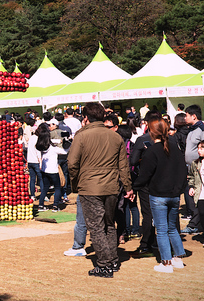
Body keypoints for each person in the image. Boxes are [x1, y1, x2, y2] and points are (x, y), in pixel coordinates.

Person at [67, 102, 133, 278]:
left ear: (86, 118)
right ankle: (112, 260)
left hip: (89, 187)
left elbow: (72, 163)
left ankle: (105, 264)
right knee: (109, 225)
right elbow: (123, 167)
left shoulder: (81, 136)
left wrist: (75, 184)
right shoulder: (116, 137)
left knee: (95, 227)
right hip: (112, 186)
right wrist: (128, 187)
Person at [132, 119, 187, 273]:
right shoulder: (174, 148)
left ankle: (166, 263)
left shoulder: (152, 151)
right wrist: (180, 189)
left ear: (151, 131)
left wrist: (133, 187)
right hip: (174, 194)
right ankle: (177, 258)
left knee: (162, 230)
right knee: (171, 228)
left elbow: (144, 175)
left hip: (159, 195)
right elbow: (183, 171)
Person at [128, 110, 162, 258]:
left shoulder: (143, 139)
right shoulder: (169, 139)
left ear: (147, 123)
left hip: (147, 181)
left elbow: (133, 161)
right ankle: (165, 243)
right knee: (166, 213)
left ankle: (146, 244)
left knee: (147, 214)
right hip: (165, 181)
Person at [181, 104, 204, 234]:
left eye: (187, 115)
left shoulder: (203, 130)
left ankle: (195, 224)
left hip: (199, 169)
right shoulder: (192, 129)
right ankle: (196, 222)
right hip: (190, 167)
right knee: (190, 195)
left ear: (193, 116)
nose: (184, 118)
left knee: (196, 196)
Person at [35, 123, 66, 211]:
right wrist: (68, 143)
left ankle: (41, 205)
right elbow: (64, 152)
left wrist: (57, 141)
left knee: (45, 188)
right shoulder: (53, 148)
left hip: (44, 170)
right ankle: (55, 206)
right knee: (57, 187)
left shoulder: (41, 147)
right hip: (53, 171)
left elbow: (49, 141)